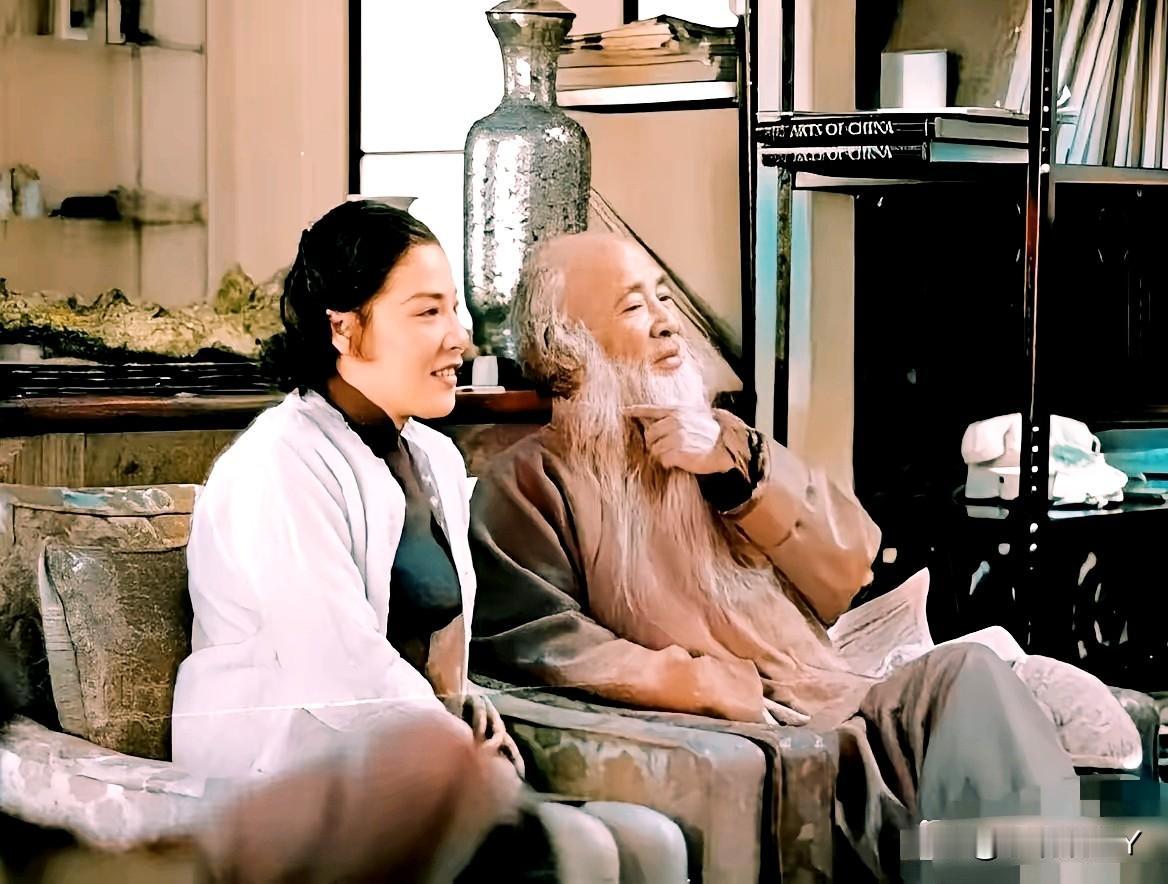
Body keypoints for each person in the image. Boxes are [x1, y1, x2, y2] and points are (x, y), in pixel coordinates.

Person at [468, 231, 1083, 878]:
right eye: (632, 306)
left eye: (664, 297)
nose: (667, 322)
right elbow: (541, 641)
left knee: (978, 677)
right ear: (567, 348)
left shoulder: (725, 443)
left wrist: (741, 475)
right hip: (769, 728)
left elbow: (850, 566)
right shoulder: (528, 482)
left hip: (840, 694)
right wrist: (704, 683)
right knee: (973, 701)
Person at [170, 203, 685, 882]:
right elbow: (337, 667)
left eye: (455, 310)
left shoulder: (434, 456)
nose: (459, 339)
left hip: (404, 763)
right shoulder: (278, 463)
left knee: (653, 842)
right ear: (344, 327)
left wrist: (468, 706)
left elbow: (436, 648)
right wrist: (457, 752)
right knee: (584, 849)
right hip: (288, 776)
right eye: (427, 313)